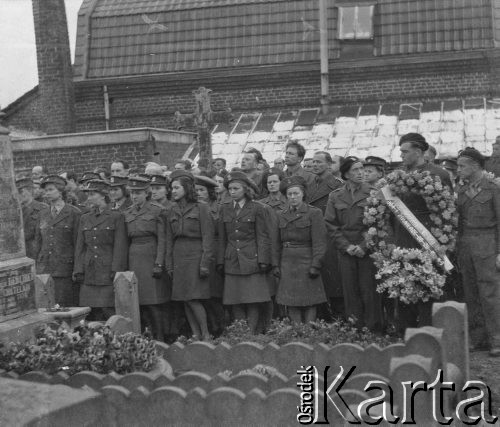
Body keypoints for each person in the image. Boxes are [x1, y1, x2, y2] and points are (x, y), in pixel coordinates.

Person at [394, 133, 452, 330]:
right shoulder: (397, 175)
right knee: (403, 283)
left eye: (405, 151)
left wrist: (443, 242)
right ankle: (406, 332)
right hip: (403, 235)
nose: (401, 155)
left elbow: (448, 211)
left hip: (429, 236)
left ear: (418, 152)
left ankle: (430, 332)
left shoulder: (439, 174)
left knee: (429, 284)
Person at [325, 157, 383, 331]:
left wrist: (364, 246)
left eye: (361, 169)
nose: (360, 173)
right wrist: (346, 246)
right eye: (355, 170)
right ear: (345, 174)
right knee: (350, 292)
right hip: (346, 251)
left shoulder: (373, 192)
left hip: (368, 249)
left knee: (370, 291)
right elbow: (330, 224)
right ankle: (355, 330)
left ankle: (374, 330)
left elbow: (380, 223)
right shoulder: (335, 196)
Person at [456, 148, 500, 356]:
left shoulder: (493, 188)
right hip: (466, 245)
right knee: (471, 292)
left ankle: (496, 339)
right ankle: (478, 337)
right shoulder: (461, 190)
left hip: (488, 243)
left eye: (462, 165)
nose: (459, 170)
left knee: (489, 293)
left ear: (475, 165)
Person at [217, 171, 272, 333]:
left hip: (251, 259)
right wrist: (221, 261)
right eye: (230, 189)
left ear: (246, 190)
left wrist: (263, 260)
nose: (232, 192)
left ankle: (252, 332)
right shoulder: (224, 209)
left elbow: (262, 236)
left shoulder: (257, 208)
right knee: (235, 299)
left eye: (236, 189)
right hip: (232, 260)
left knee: (253, 299)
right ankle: (242, 333)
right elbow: (222, 238)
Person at [165, 171, 214, 341]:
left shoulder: (201, 207)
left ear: (186, 188)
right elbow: (168, 240)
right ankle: (195, 334)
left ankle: (206, 334)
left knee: (194, 298)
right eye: (172, 188)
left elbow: (208, 237)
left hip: (195, 255)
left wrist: (205, 263)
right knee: (184, 299)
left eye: (177, 187)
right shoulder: (171, 209)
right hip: (179, 257)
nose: (173, 191)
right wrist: (169, 264)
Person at [273, 176, 327, 323]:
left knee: (309, 299)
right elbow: (276, 243)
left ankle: (309, 332)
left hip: (307, 260)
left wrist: (316, 264)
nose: (293, 197)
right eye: (289, 194)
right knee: (290, 300)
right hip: (287, 262)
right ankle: (297, 332)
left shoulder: (314, 213)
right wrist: (275, 264)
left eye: (296, 193)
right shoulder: (279, 215)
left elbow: (319, 242)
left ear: (303, 194)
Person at [74, 180, 128, 321]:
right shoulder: (85, 218)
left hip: (107, 271)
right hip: (89, 271)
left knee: (108, 310)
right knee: (90, 312)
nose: (89, 198)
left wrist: (116, 270)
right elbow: (80, 247)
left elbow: (120, 246)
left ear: (103, 196)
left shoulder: (116, 216)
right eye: (88, 195)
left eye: (92, 194)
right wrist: (78, 269)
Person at [124, 176, 169, 340]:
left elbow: (162, 240)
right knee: (138, 302)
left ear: (146, 193)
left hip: (151, 258)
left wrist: (159, 263)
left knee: (153, 302)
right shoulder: (127, 212)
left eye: (138, 193)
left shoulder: (157, 210)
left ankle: (160, 338)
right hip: (134, 258)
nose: (134, 196)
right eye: (132, 193)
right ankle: (145, 337)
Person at [35, 175, 81, 306]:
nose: (47, 193)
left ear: (60, 192)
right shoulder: (42, 214)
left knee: (64, 306)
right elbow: (38, 243)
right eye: (45, 191)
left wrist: (77, 270)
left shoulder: (74, 213)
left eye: (50, 190)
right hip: (44, 269)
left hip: (65, 270)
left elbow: (78, 244)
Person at [309, 151, 344, 317]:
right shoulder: (309, 185)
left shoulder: (338, 185)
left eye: (319, 162)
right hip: (313, 236)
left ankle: (339, 318)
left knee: (334, 280)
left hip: (330, 237)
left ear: (329, 165)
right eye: (313, 162)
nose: (315, 165)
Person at [194, 174, 226, 336]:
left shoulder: (218, 208)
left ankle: (222, 328)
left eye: (202, 190)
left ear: (210, 192)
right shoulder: (195, 208)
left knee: (215, 295)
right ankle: (212, 327)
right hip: (199, 254)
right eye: (196, 190)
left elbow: (221, 236)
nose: (198, 193)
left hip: (214, 254)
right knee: (203, 296)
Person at [15, 177, 48, 260]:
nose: (18, 195)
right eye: (16, 192)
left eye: (21, 192)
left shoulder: (43, 208)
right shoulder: (15, 212)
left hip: (38, 255)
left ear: (30, 191)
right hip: (21, 254)